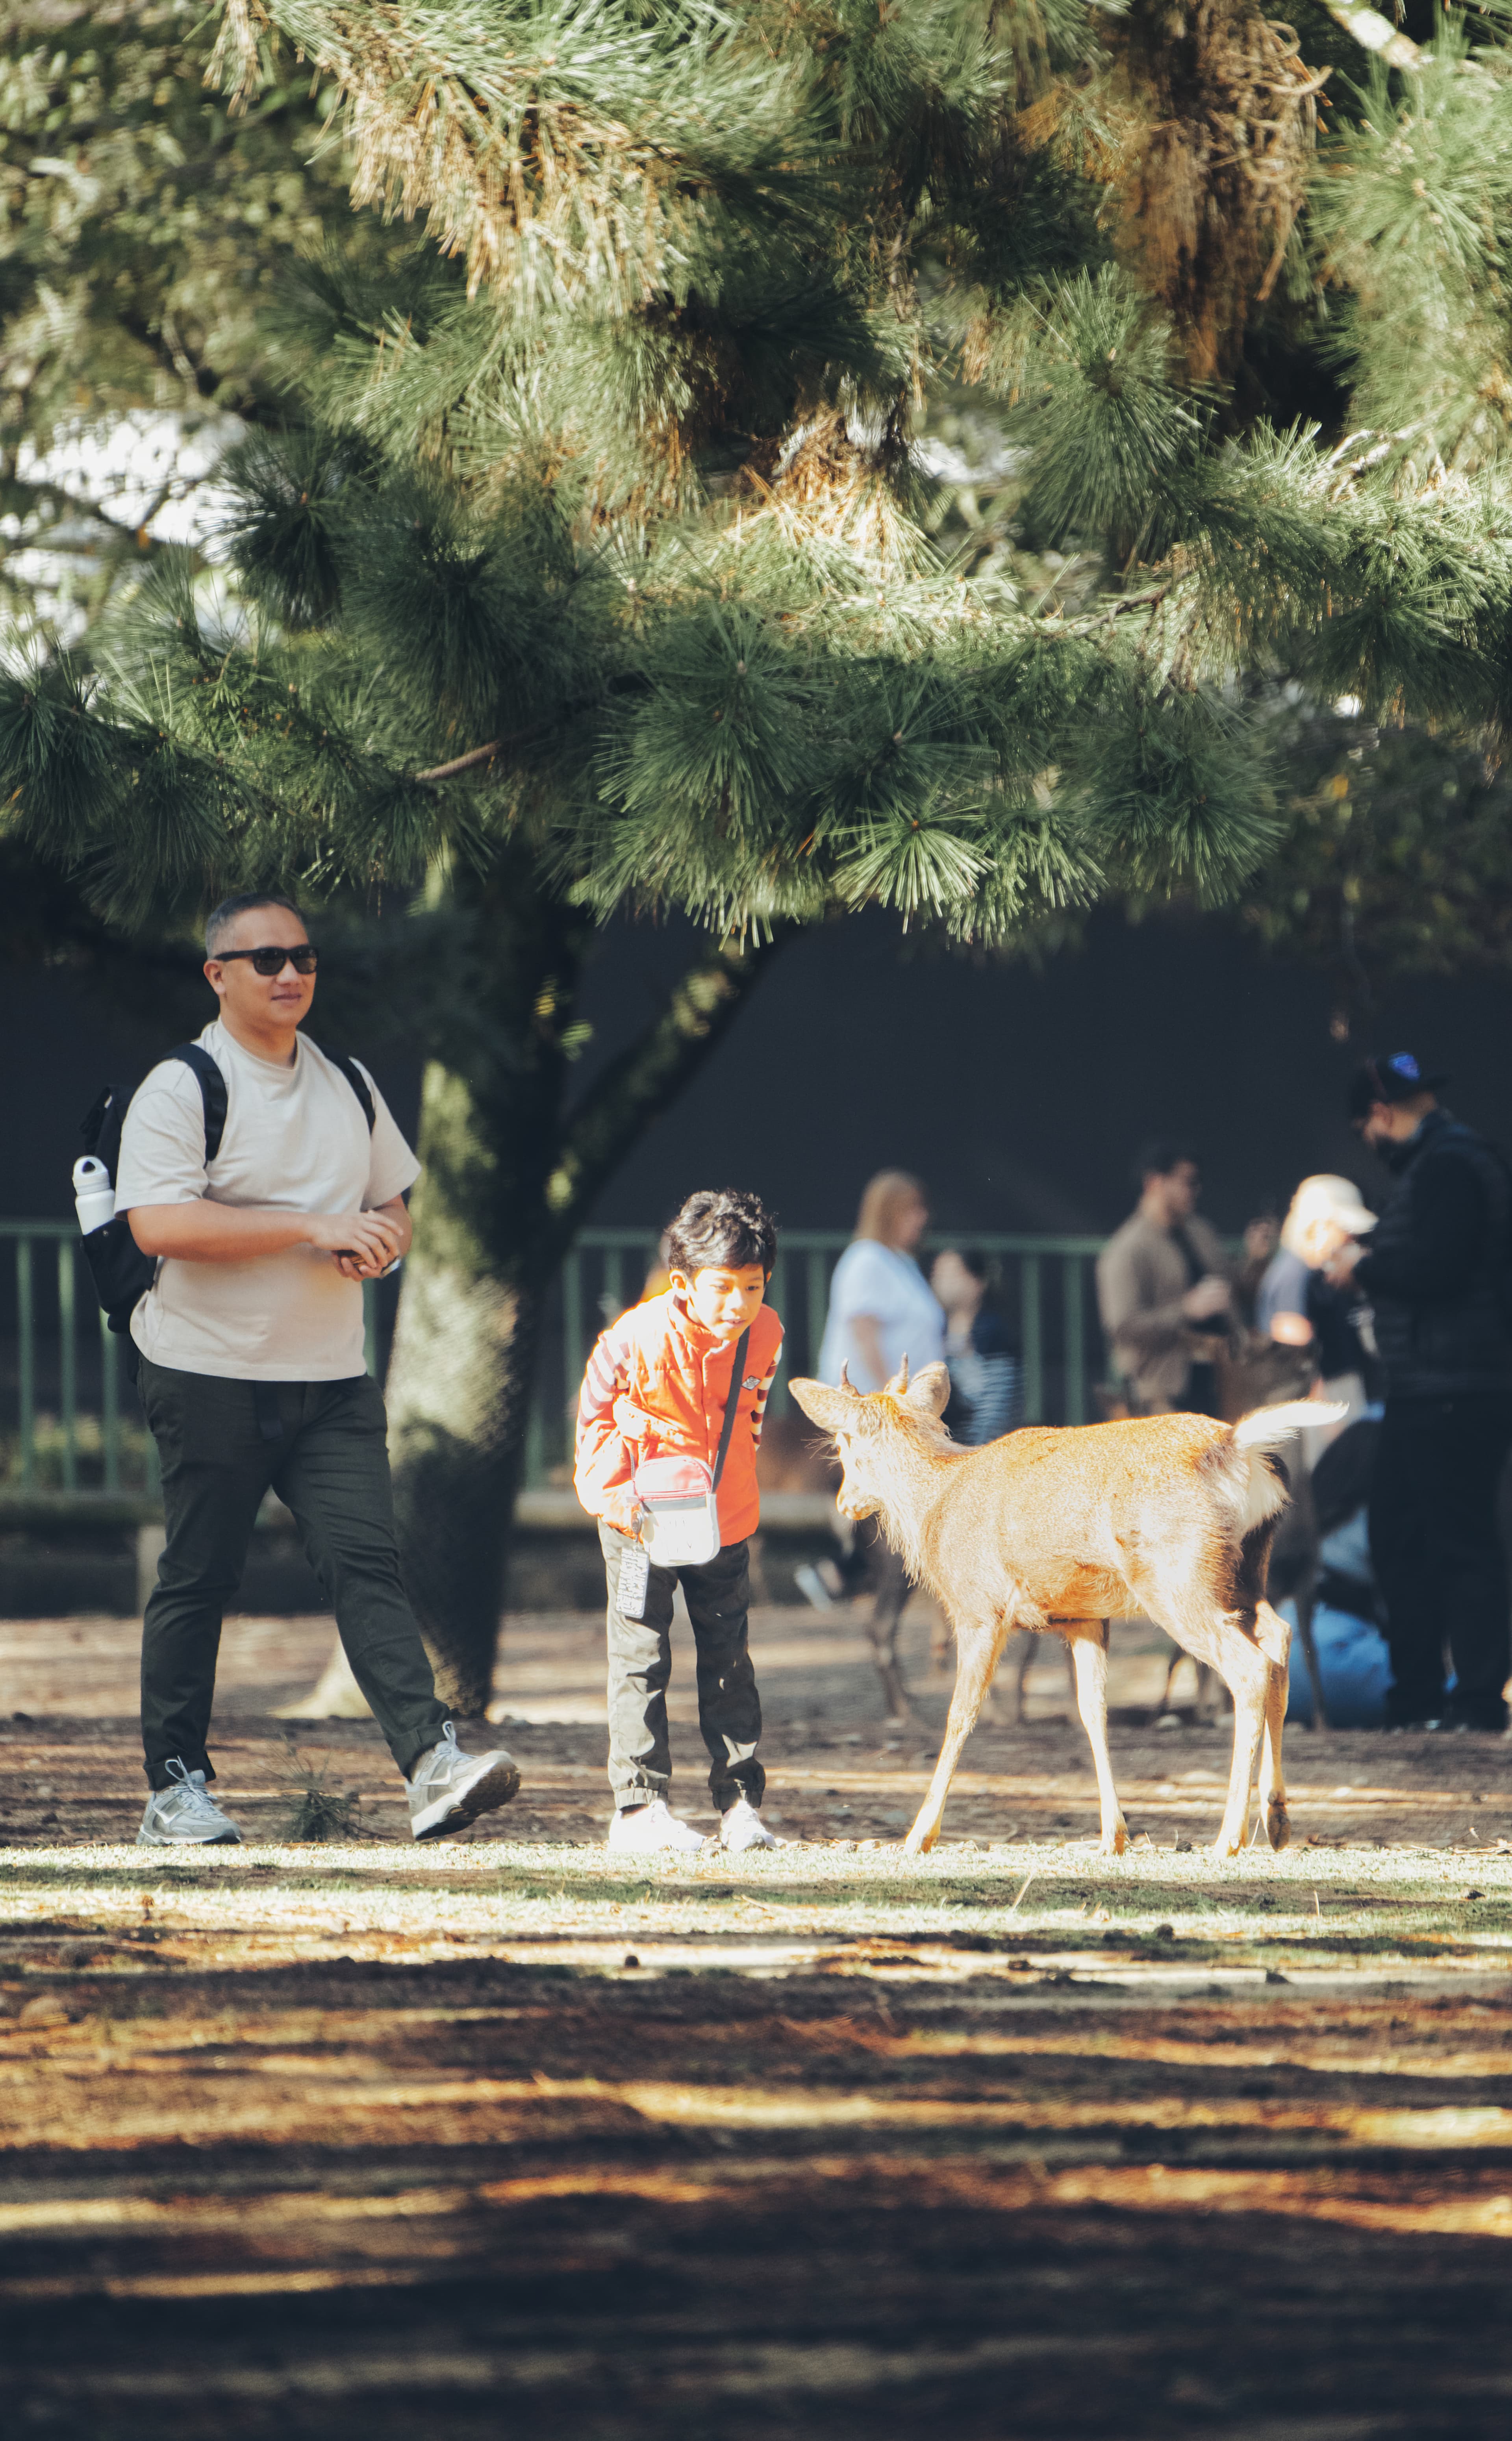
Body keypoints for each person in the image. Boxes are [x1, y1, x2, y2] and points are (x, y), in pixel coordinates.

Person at [117, 891, 521, 1845]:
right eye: (265, 959)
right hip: (208, 1372)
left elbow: (392, 1202)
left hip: (332, 1379)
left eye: (302, 955)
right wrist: (309, 1224)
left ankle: (433, 1763)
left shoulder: (348, 1079)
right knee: (200, 1576)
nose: (290, 972)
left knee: (368, 1564)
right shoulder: (183, 1085)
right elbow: (159, 1222)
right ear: (218, 975)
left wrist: (380, 1241)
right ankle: (175, 1788)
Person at [575, 1188, 784, 1853]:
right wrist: (624, 1502)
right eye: (722, 1287)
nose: (739, 1304)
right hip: (639, 1522)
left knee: (730, 1660)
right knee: (641, 1654)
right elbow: (593, 1424)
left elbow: (749, 1420)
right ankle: (639, 1809)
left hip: (722, 1521)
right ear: (682, 1283)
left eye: (753, 1286)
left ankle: (742, 1805)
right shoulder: (632, 1338)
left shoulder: (767, 1333)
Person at [1324, 1051, 1512, 1733]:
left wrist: (1365, 1267)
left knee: (1460, 1540)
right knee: (1401, 1534)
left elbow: (1439, 1265)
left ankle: (1476, 1700)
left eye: (1363, 1128)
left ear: (1380, 1114)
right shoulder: (1440, 1165)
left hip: (1456, 1387)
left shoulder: (1450, 1164)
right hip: (1427, 1386)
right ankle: (1417, 1697)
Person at [814, 1171, 945, 1718]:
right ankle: (876, 1629)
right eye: (912, 1209)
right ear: (891, 1211)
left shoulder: (899, 1263)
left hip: (905, 1419)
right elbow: (863, 1335)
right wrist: (886, 1407)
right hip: (882, 1421)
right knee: (895, 1546)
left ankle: (848, 1579)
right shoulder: (867, 1260)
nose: (923, 1219)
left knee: (901, 1546)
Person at [1096, 1139, 1234, 1415]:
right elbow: (1123, 1325)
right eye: (1187, 1182)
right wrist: (1187, 1309)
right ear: (1156, 1183)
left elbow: (1230, 1280)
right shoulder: (1128, 1249)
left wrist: (1255, 1261)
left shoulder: (1200, 1232)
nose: (1195, 1191)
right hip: (1163, 1391)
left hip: (1216, 1384)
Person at [1256, 1174, 1379, 1447]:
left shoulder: (1317, 1273)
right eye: (1345, 1230)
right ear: (1317, 1226)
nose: (1352, 1239)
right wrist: (1328, 1420)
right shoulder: (1293, 1276)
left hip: (1340, 1397)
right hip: (1321, 1411)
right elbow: (1297, 1364)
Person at [931, 1248, 1023, 1444]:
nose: (943, 1283)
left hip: (985, 1449)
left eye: (953, 1274)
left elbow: (999, 1402)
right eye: (938, 1275)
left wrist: (982, 1450)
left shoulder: (993, 1332)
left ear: (977, 1282)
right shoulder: (934, 1331)